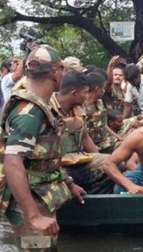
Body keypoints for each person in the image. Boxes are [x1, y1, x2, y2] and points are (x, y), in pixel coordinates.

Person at [0, 45, 85, 250]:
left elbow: (45, 157)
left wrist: (69, 183)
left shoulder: (43, 106)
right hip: (29, 202)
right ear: (56, 72)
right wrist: (34, 216)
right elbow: (13, 163)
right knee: (36, 247)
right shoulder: (29, 112)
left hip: (41, 196)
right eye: (62, 69)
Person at [50, 71, 114, 194]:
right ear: (74, 93)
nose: (87, 96)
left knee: (112, 164)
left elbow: (85, 137)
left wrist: (99, 158)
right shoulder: (48, 109)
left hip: (77, 161)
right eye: (85, 92)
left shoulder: (78, 108)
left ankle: (92, 201)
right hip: (55, 166)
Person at [84, 69, 120, 153]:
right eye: (103, 88)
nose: (104, 90)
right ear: (97, 89)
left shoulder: (99, 103)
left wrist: (118, 137)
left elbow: (104, 125)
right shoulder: (82, 107)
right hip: (92, 146)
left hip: (105, 141)